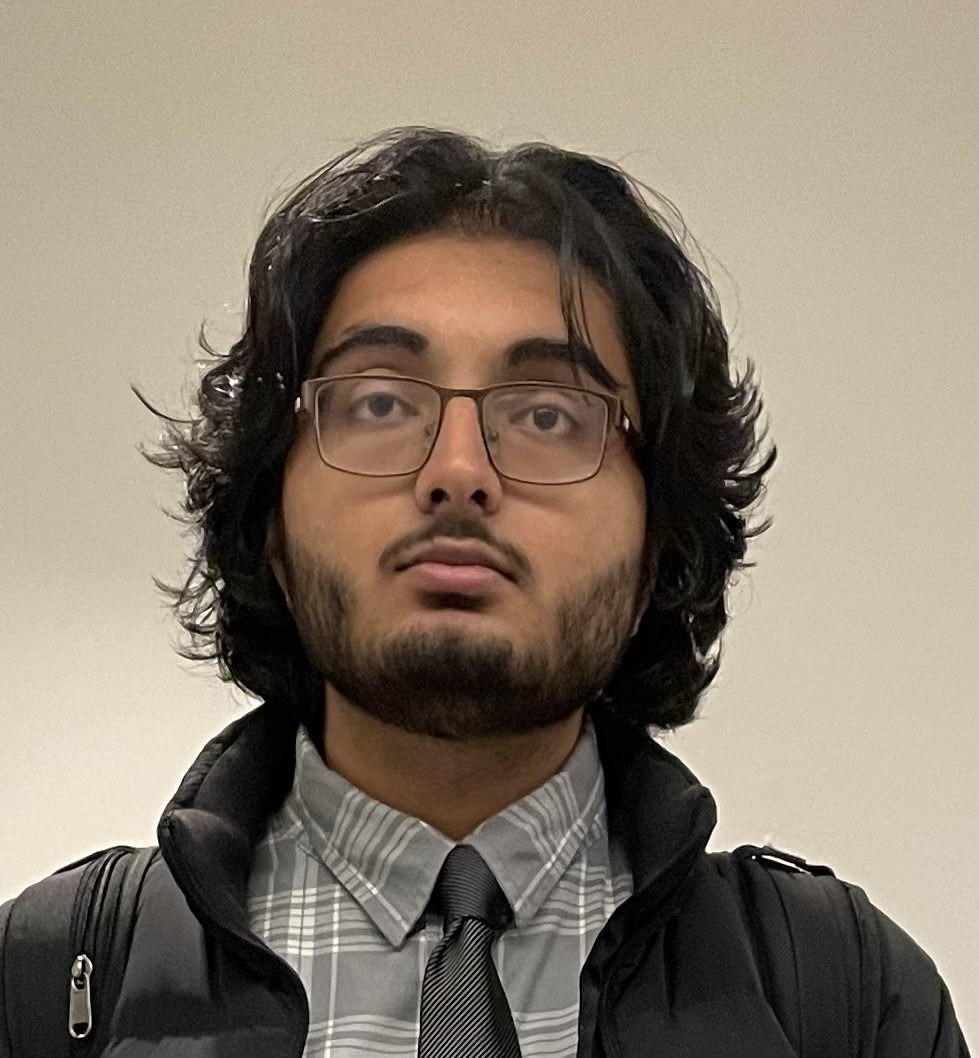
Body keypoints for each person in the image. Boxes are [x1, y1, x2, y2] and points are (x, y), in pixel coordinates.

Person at [0, 127, 968, 1057]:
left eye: (548, 414)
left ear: (658, 538)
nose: (457, 471)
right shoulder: (45, 985)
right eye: (380, 401)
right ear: (270, 522)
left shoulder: (839, 991)